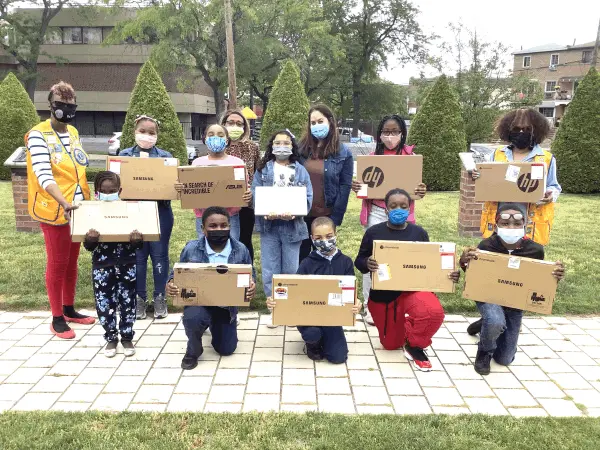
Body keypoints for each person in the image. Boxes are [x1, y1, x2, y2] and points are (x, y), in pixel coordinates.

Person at [354, 188, 461, 371]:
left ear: (410, 208)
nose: (398, 209)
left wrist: (448, 275)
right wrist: (368, 263)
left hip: (412, 291)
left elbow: (431, 264)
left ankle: (415, 344)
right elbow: (359, 260)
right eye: (393, 206)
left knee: (433, 312)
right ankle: (405, 326)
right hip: (383, 295)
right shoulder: (374, 232)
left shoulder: (419, 233)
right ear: (386, 209)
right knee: (390, 345)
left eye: (403, 206)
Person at [459, 203, 565, 375]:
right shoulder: (486, 245)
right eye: (505, 223)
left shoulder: (535, 250)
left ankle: (484, 325)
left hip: (514, 303)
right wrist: (464, 261)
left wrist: (554, 277)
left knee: (504, 359)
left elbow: (537, 281)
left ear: (524, 224)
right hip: (489, 296)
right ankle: (484, 351)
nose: (511, 227)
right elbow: (475, 276)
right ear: (497, 223)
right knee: (495, 320)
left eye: (517, 223)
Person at [25, 81, 95, 339]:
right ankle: (56, 318)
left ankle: (69, 309)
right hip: (55, 208)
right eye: (60, 105)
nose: (65, 109)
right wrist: (63, 202)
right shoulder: (38, 134)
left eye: (70, 105)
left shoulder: (74, 132)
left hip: (77, 206)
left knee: (72, 263)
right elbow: (43, 174)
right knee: (57, 263)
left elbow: (77, 167)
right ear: (50, 105)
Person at [351, 114, 427, 326]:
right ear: (380, 134)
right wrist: (357, 187)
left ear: (402, 134)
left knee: (402, 258)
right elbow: (364, 188)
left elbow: (416, 189)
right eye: (386, 132)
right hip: (376, 210)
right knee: (372, 259)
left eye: (394, 132)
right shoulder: (372, 157)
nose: (390, 136)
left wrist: (421, 190)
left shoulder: (411, 158)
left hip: (402, 215)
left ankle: (401, 302)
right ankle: (369, 304)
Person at [166, 207, 256, 370]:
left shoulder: (240, 249)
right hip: (199, 302)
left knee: (226, 349)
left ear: (229, 226)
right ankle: (193, 350)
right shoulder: (191, 248)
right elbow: (176, 273)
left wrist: (251, 285)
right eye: (213, 226)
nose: (219, 229)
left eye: (223, 226)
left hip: (225, 305)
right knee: (193, 318)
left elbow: (251, 274)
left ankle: (216, 324)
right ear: (203, 228)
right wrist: (171, 283)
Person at [267, 217, 361, 363]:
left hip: (332, 315)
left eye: (329, 236)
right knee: (312, 333)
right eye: (318, 238)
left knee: (338, 358)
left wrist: (356, 302)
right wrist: (275, 301)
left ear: (336, 235)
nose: (324, 241)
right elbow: (293, 291)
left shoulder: (346, 262)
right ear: (312, 238)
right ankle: (313, 344)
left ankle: (327, 339)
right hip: (308, 315)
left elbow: (350, 290)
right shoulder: (307, 263)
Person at [471, 108, 561, 247]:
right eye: (516, 128)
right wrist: (478, 176)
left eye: (526, 129)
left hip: (530, 222)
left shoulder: (547, 159)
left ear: (535, 131)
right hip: (499, 220)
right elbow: (486, 179)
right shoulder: (496, 154)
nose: (521, 133)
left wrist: (550, 195)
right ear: (508, 130)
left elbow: (554, 186)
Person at [252, 130, 313, 321]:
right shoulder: (263, 169)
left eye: (286, 143)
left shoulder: (300, 170)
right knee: (270, 269)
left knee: (291, 269)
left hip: (292, 228)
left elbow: (308, 196)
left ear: (292, 146)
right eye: (277, 143)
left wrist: (296, 212)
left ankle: (290, 307)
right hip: (268, 227)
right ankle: (275, 309)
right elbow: (255, 194)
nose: (281, 146)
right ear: (271, 146)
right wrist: (263, 210)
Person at [120, 115, 174, 320]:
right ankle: (139, 299)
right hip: (135, 212)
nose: (147, 136)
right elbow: (115, 183)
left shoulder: (165, 157)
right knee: (138, 257)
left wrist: (174, 187)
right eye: (143, 131)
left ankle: (160, 297)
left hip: (160, 212)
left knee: (160, 255)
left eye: (152, 133)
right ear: (135, 131)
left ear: (157, 135)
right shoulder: (124, 155)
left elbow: (171, 185)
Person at [83, 172, 143, 358]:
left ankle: (127, 336)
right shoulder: (91, 212)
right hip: (102, 265)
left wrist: (136, 241)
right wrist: (91, 240)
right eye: (104, 191)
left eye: (113, 191)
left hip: (127, 263)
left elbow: (139, 242)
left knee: (127, 300)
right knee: (104, 301)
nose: (108, 193)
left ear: (120, 191)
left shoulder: (130, 212)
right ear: (97, 192)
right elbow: (88, 246)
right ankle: (110, 337)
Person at [298, 104, 353, 263]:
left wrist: (335, 218)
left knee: (323, 258)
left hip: (326, 214)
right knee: (300, 257)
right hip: (302, 215)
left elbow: (345, 186)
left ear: (330, 121)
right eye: (312, 123)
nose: (316, 126)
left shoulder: (343, 153)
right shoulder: (301, 149)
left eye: (320, 121)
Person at [186, 124, 252, 241]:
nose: (215, 137)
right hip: (203, 217)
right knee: (205, 251)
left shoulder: (237, 163)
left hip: (230, 217)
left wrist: (248, 194)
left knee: (231, 251)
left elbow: (245, 187)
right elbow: (191, 189)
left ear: (227, 140)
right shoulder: (197, 163)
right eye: (211, 135)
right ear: (205, 139)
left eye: (220, 135)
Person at [222, 109, 261, 261]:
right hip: (222, 201)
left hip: (245, 202)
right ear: (224, 124)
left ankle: (248, 274)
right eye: (230, 123)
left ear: (245, 128)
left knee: (244, 240)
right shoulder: (218, 145)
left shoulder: (253, 147)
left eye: (239, 124)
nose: (235, 126)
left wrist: (253, 192)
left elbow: (259, 173)